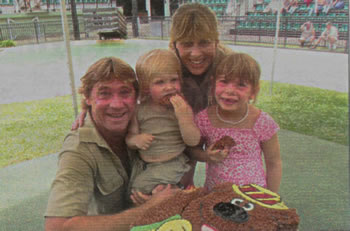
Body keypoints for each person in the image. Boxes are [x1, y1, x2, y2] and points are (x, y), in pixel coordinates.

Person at [72, 3, 233, 187]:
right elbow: (133, 85)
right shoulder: (168, 64)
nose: (195, 53)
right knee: (183, 173)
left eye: (204, 42)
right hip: (177, 129)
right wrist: (88, 106)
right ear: (175, 44)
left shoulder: (228, 63)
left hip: (209, 115)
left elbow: (245, 89)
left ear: (216, 41)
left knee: (223, 165)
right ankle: (184, 190)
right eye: (187, 44)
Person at [44, 57, 179, 231]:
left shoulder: (147, 122)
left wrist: (165, 187)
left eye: (125, 92)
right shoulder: (79, 148)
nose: (116, 104)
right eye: (104, 93)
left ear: (137, 96)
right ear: (88, 98)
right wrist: (149, 208)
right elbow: (57, 227)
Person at [191, 53, 282, 193]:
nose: (230, 90)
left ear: (254, 91)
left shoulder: (262, 122)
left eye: (241, 85)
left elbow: (274, 163)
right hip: (215, 194)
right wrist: (206, 156)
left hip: (253, 196)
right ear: (213, 83)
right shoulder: (204, 119)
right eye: (224, 81)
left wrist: (272, 198)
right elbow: (192, 150)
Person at [126, 49, 200, 194]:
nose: (169, 87)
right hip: (147, 164)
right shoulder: (139, 110)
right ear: (146, 87)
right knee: (138, 187)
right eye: (160, 82)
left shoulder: (182, 107)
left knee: (138, 188)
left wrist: (184, 118)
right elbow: (130, 137)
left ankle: (175, 194)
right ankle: (171, 194)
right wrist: (136, 140)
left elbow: (193, 141)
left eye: (174, 80)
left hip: (173, 162)